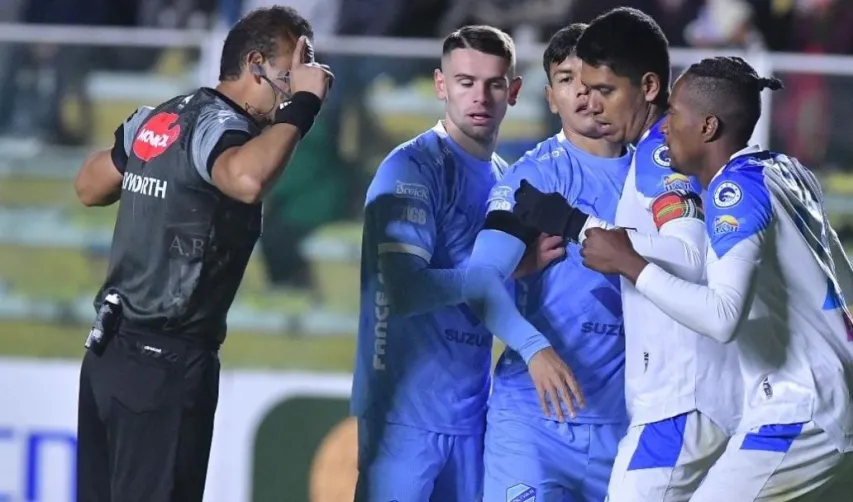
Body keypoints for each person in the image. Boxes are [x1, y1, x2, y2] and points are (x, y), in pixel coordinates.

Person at [578, 56, 853, 501]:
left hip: (800, 413)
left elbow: (723, 319)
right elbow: (846, 285)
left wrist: (632, 263)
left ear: (707, 126)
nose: (664, 127)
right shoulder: (788, 171)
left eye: (675, 115)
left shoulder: (733, 192)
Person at [72, 6, 332, 502]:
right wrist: (304, 105)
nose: (294, 86)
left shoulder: (162, 116)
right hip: (165, 366)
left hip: (108, 354)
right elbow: (247, 179)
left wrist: (143, 159)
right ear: (254, 63)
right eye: (287, 74)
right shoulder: (222, 126)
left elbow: (89, 185)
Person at [511, 7, 743, 501]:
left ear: (651, 87)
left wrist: (577, 225)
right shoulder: (652, 153)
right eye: (585, 90)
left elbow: (693, 257)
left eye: (606, 91)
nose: (591, 105)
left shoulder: (661, 156)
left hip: (682, 399)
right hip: (682, 399)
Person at [350, 25, 582, 502]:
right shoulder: (410, 167)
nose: (480, 96)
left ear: (513, 92)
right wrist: (497, 274)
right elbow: (405, 290)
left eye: (494, 84)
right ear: (441, 86)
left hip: (473, 415)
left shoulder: (506, 179)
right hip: (403, 416)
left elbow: (490, 294)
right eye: (465, 82)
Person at [473, 23, 631, 502]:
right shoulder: (533, 179)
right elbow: (479, 278)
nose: (582, 92)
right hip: (534, 423)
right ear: (549, 97)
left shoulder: (657, 177)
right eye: (566, 79)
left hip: (628, 427)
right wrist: (535, 348)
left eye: (592, 79)